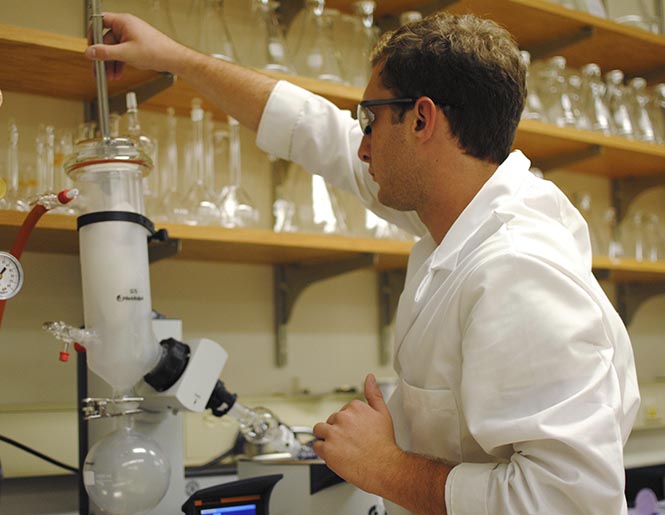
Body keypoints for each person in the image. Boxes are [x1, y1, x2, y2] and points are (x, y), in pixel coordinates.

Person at [86, 11, 640, 515]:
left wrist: (388, 468)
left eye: (370, 120)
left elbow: (571, 504)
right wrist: (174, 59)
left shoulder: (518, 270)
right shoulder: (456, 220)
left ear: (422, 121)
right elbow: (312, 131)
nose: (361, 146)